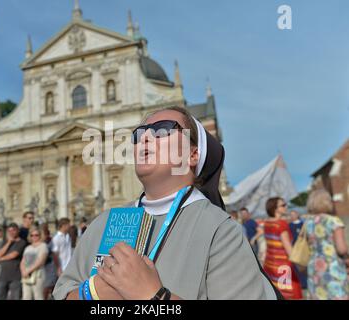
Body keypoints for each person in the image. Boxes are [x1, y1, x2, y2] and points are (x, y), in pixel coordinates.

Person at [53, 106, 279, 300]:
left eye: (163, 129)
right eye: (138, 134)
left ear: (193, 155)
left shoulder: (219, 229)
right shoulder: (102, 223)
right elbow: (62, 292)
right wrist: (93, 292)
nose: (144, 137)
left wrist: (154, 296)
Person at [304, 189, 349, 300]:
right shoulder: (333, 221)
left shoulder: (308, 222)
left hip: (314, 267)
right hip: (332, 266)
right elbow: (342, 249)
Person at [263, 197, 303, 299]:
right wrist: (301, 266)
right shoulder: (281, 224)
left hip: (270, 265)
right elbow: (289, 249)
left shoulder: (267, 223)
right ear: (274, 208)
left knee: (276, 294)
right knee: (291, 294)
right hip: (283, 268)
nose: (286, 207)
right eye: (283, 205)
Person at [0, 223, 26, 300]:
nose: (11, 232)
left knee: (15, 297)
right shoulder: (5, 242)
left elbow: (14, 255)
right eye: (9, 231)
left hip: (15, 276)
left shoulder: (22, 242)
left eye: (13, 230)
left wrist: (0, 259)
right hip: (3, 275)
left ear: (18, 231)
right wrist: (9, 242)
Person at [20, 227, 49, 300]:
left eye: (36, 235)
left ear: (40, 235)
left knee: (38, 296)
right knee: (26, 297)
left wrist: (28, 271)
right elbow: (23, 261)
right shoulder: (27, 247)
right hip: (26, 275)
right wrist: (23, 271)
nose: (34, 237)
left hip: (38, 275)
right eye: (32, 235)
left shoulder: (43, 246)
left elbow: (41, 261)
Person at [41, 224, 57, 300]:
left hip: (50, 266)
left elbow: (54, 254)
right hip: (43, 268)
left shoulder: (50, 241)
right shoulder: (39, 241)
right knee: (46, 287)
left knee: (49, 286)